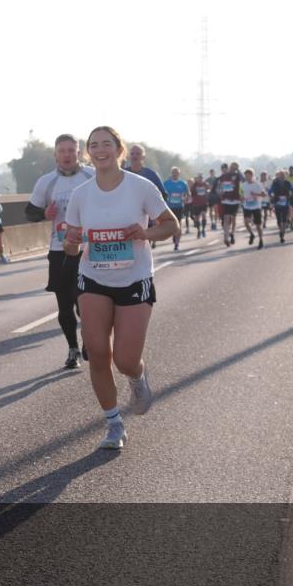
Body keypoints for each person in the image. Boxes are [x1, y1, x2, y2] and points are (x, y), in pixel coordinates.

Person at [64, 126, 177, 450]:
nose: (100, 150)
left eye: (107, 144)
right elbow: (72, 247)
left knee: (125, 360)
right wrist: (71, 243)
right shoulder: (81, 194)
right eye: (94, 145)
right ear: (88, 153)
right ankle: (114, 424)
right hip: (93, 278)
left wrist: (145, 234)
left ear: (119, 150)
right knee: (98, 352)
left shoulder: (140, 187)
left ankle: (137, 377)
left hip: (134, 279)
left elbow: (171, 224)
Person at [26, 133, 94, 368]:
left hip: (90, 249)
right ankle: (73, 349)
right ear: (55, 154)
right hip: (60, 250)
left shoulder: (91, 176)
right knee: (65, 305)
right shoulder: (47, 182)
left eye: (71, 150)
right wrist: (44, 214)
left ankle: (89, 341)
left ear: (79, 152)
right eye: (62, 151)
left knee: (85, 304)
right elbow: (29, 213)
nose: (66, 155)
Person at [162, 167, 189, 251]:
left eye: (177, 173)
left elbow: (188, 194)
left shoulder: (183, 183)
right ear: (171, 173)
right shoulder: (166, 183)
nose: (175, 174)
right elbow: (161, 193)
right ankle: (174, 234)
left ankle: (177, 243)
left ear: (179, 174)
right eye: (174, 172)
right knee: (171, 225)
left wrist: (185, 198)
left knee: (179, 224)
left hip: (179, 207)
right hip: (169, 207)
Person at [240, 168, 268, 249]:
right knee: (246, 222)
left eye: (249, 175)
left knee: (258, 225)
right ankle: (252, 234)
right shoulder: (243, 185)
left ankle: (261, 240)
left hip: (256, 206)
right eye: (246, 176)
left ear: (252, 175)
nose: (247, 177)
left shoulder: (258, 184)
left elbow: (264, 195)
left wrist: (255, 194)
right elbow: (241, 194)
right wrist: (242, 198)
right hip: (247, 206)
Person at [217, 162, 242, 246]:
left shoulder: (237, 175)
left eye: (235, 168)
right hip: (226, 200)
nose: (233, 169)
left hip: (235, 200)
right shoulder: (223, 176)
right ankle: (225, 238)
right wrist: (220, 192)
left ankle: (232, 233)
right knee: (226, 218)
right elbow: (219, 187)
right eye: (232, 167)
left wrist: (238, 170)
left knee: (233, 218)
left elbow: (244, 180)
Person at [269, 169, 293, 243]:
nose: (282, 176)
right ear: (278, 176)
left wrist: (290, 194)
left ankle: (282, 234)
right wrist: (271, 196)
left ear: (285, 175)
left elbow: (292, 190)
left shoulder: (288, 183)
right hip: (277, 203)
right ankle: (281, 230)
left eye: (283, 175)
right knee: (279, 220)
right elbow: (270, 191)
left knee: (284, 220)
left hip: (285, 203)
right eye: (280, 175)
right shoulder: (275, 183)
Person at [189, 173, 210, 238]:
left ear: (203, 178)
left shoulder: (205, 184)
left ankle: (203, 229)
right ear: (197, 178)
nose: (200, 179)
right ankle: (199, 230)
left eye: (201, 178)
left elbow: (209, 190)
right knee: (197, 218)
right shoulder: (194, 185)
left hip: (204, 203)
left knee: (204, 215)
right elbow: (190, 192)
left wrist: (208, 193)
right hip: (196, 203)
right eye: (199, 178)